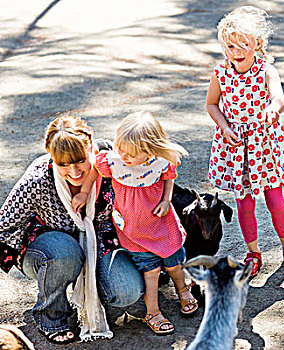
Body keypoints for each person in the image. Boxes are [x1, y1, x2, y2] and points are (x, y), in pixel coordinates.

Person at [0, 116, 144, 344]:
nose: (74, 171)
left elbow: (150, 181)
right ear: (51, 156)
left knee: (127, 292)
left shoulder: (112, 162)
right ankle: (51, 316)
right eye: (63, 164)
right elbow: (4, 224)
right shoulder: (37, 179)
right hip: (48, 248)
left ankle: (91, 292)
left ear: (91, 148)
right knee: (66, 252)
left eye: (80, 161)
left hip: (100, 240)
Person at [72, 111, 197, 335]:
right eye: (121, 150)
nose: (125, 157)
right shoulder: (113, 161)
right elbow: (94, 174)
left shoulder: (161, 161)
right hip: (133, 231)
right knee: (151, 272)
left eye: (132, 154)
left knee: (175, 264)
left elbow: (169, 179)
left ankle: (183, 289)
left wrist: (167, 199)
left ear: (150, 150)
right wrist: (82, 192)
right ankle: (153, 312)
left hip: (162, 224)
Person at [205, 6, 284, 278]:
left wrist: (273, 109)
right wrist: (224, 127)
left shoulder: (265, 70)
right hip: (235, 145)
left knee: (275, 199)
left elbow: (278, 97)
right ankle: (253, 252)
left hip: (264, 141)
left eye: (243, 44)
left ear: (257, 43)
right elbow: (212, 105)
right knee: (244, 202)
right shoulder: (220, 73)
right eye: (230, 45)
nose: (236, 51)